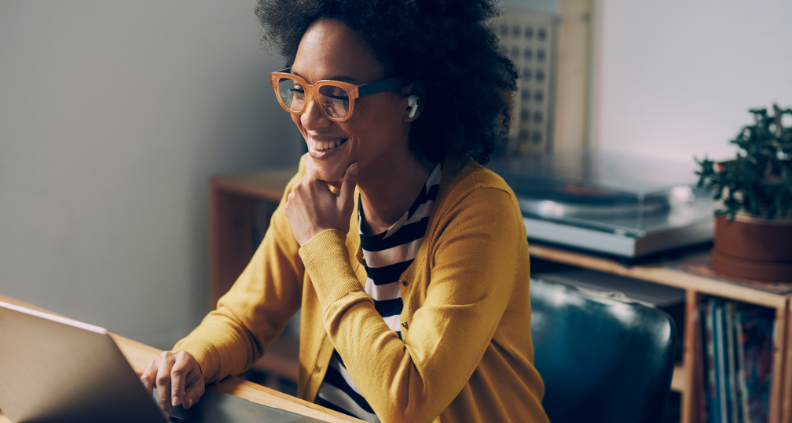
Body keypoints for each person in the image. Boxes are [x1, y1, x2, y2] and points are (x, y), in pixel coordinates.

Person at [138, 1, 549, 422]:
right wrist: (193, 357)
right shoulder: (313, 187)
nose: (309, 117)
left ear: (410, 101)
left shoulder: (480, 211)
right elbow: (243, 320)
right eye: (298, 88)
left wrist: (323, 248)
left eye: (336, 95)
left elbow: (407, 402)